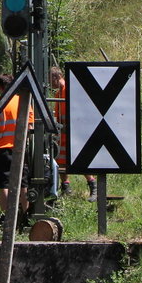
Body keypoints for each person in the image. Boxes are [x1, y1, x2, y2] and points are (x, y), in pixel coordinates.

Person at [0, 73, 32, 216]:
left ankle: (7, 217)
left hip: (2, 150)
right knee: (23, 184)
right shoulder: (24, 101)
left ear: (0, 87)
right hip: (20, 148)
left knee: (4, 184)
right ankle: (26, 215)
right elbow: (30, 128)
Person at [50, 66, 96, 201]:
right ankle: (66, 187)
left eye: (50, 80)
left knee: (79, 158)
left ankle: (93, 185)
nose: (50, 83)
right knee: (60, 159)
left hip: (75, 131)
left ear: (56, 77)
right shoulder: (57, 95)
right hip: (62, 132)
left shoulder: (71, 90)